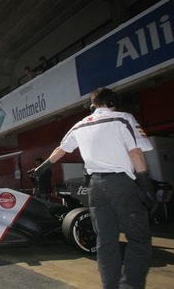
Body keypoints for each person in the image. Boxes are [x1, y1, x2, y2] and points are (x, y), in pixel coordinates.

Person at [29, 87, 155, 289]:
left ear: (92, 106)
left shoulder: (80, 125)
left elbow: (61, 149)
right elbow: (136, 154)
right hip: (120, 184)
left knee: (105, 242)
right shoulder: (123, 119)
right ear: (113, 102)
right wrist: (147, 188)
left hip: (95, 187)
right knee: (139, 239)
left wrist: (41, 168)